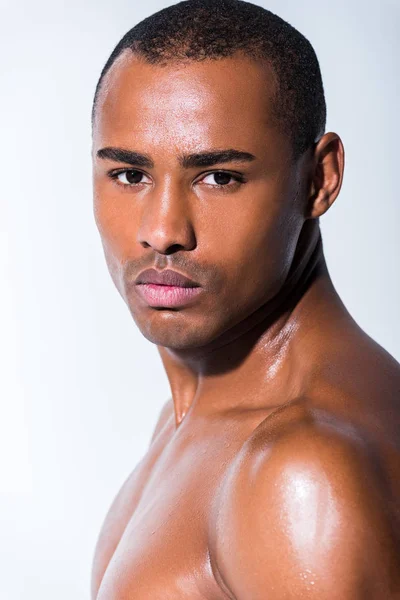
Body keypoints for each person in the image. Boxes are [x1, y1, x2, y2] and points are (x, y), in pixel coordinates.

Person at [90, 0, 400, 597]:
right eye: (130, 175)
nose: (163, 229)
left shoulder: (302, 472)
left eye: (219, 177)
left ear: (320, 179)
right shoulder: (193, 418)